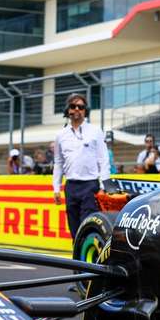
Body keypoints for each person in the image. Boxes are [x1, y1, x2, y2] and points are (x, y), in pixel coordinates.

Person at [52, 92, 111, 240]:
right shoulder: (60, 135)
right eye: (73, 106)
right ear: (68, 110)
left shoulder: (95, 131)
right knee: (74, 226)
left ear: (86, 110)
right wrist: (56, 188)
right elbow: (58, 162)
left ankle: (86, 260)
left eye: (81, 106)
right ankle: (77, 259)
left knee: (88, 224)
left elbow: (103, 159)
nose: (77, 109)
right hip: (71, 186)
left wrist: (105, 186)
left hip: (90, 186)